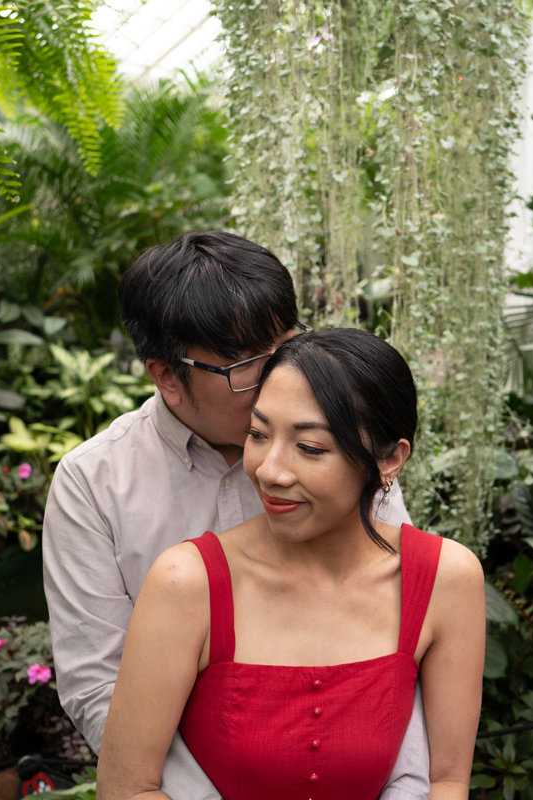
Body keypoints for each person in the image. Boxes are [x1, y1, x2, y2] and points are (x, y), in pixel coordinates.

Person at [42, 231, 428, 799]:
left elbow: (403, 641)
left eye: (288, 345)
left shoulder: (344, 446)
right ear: (168, 377)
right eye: (248, 365)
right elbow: (98, 683)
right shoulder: (93, 483)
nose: (282, 376)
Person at [96, 329, 486, 800]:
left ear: (389, 460)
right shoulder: (187, 583)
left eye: (311, 448)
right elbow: (126, 788)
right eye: (258, 435)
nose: (269, 470)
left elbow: (445, 781)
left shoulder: (445, 579)